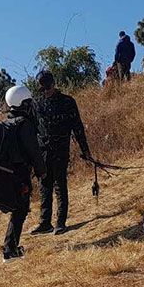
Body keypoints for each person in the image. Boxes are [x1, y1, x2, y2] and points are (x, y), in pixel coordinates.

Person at [0, 86, 46, 262]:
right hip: (19, 175)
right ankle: (10, 251)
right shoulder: (24, 124)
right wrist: (42, 171)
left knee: (17, 211)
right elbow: (34, 152)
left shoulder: (7, 124)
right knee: (20, 211)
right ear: (24, 103)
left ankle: (10, 249)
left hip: (6, 174)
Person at [31, 71, 91, 236]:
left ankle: (60, 222)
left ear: (54, 83)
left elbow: (77, 128)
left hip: (60, 149)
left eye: (48, 87)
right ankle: (45, 223)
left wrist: (85, 151)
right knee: (44, 186)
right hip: (43, 151)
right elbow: (32, 131)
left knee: (60, 184)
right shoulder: (36, 104)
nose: (45, 91)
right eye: (42, 89)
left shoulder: (67, 102)